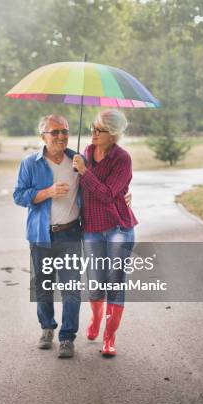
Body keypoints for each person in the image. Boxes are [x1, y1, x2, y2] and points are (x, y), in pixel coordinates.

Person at [13, 114, 131, 359]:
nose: (60, 136)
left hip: (70, 233)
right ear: (42, 137)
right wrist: (47, 192)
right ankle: (47, 329)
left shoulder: (78, 159)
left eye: (64, 131)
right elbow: (18, 196)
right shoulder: (30, 164)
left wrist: (125, 197)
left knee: (71, 289)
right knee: (43, 286)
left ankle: (67, 337)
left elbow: (107, 185)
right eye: (54, 132)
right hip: (40, 235)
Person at [72, 109, 137, 357]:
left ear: (112, 134)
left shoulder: (122, 159)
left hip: (117, 228)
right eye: (92, 127)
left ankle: (109, 338)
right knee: (95, 280)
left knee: (116, 283)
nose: (93, 133)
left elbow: (108, 194)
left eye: (98, 130)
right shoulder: (86, 152)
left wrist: (85, 173)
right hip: (91, 229)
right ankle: (96, 319)